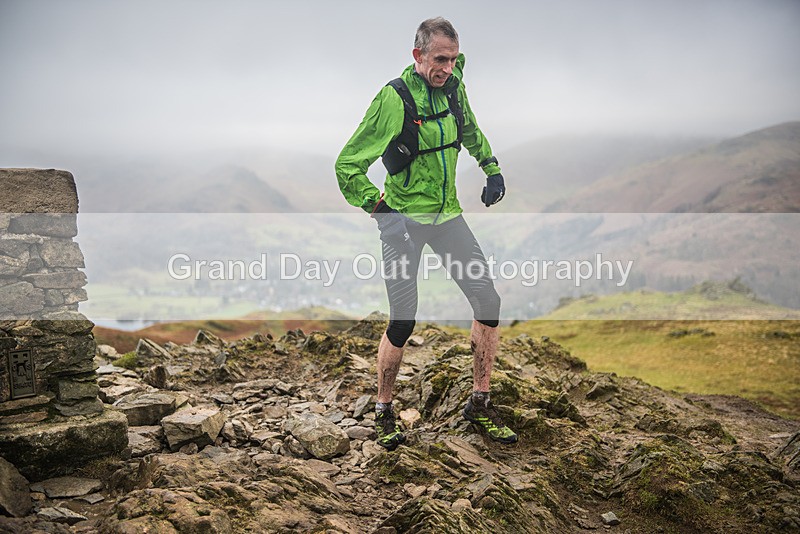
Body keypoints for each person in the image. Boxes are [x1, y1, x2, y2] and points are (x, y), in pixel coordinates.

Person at [335, 17, 517, 450]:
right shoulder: (393, 100)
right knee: (403, 319)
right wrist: (381, 210)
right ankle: (383, 409)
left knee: (487, 300)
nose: (447, 68)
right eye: (439, 59)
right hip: (403, 222)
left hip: (447, 215)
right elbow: (347, 165)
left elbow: (468, 126)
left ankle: (480, 402)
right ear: (417, 55)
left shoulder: (454, 83)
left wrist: (490, 167)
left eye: (453, 59)